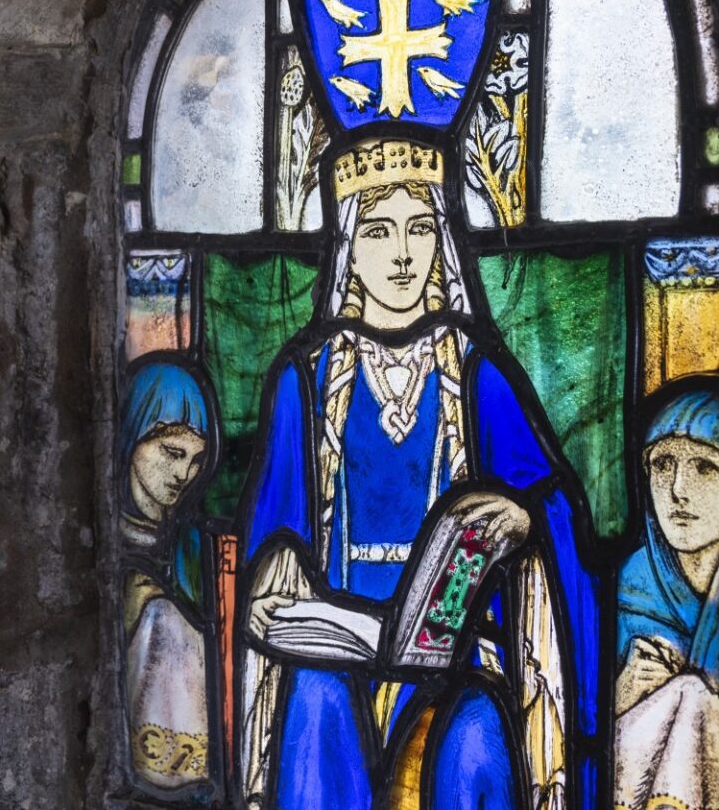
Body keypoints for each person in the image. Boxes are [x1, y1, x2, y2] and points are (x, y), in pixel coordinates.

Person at [236, 137, 602, 810]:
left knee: (476, 737)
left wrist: (524, 519)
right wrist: (274, 567)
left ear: (441, 237)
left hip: (457, 659)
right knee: (313, 707)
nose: (402, 253)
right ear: (348, 243)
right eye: (378, 231)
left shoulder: (476, 373)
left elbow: (555, 504)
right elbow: (272, 524)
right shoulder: (306, 380)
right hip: (334, 656)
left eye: (420, 227)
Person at [613, 389, 719, 810]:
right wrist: (620, 694)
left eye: (704, 467)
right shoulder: (623, 588)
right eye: (663, 465)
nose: (678, 490)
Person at [121, 361, 217, 793]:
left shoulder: (195, 545)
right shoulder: (108, 544)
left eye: (196, 460)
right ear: (131, 438)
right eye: (171, 453)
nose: (184, 475)